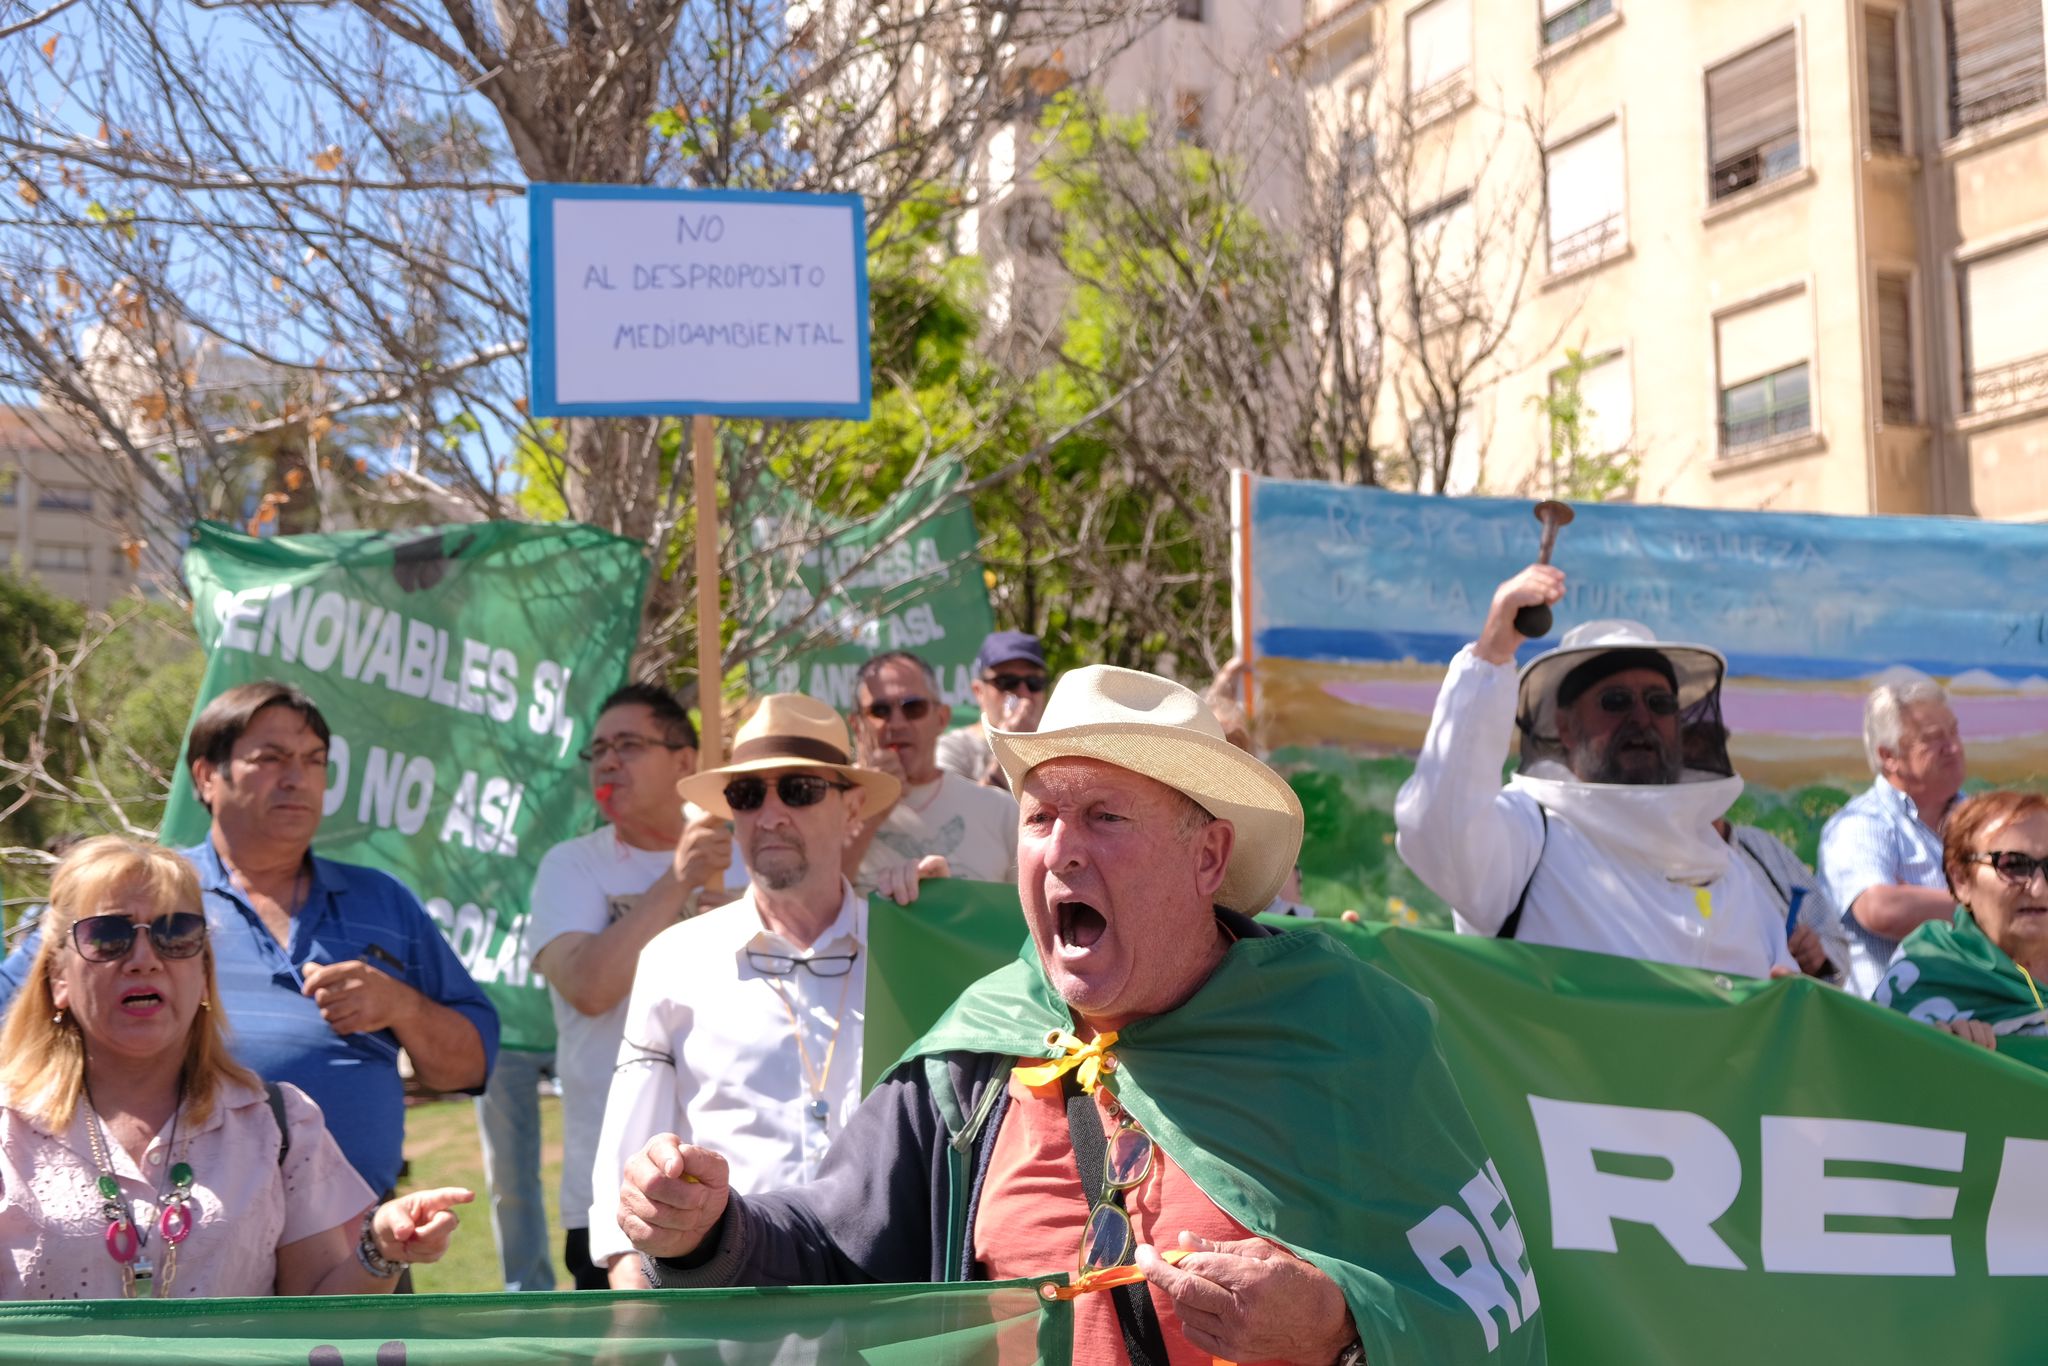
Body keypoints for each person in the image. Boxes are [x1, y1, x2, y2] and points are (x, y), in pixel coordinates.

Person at [614, 666, 1546, 1365]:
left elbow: (1486, 1302)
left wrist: (1339, 1325)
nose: (1060, 853)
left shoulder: (1345, 1031)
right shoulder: (980, 1052)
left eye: (1104, 817)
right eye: (1039, 819)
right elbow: (830, 1247)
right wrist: (703, 1230)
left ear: (1209, 857)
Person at [0, 681, 500, 1203]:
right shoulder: (147, 895)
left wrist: (402, 1006)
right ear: (206, 776)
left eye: (314, 760)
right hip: (191, 1253)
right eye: (271, 758)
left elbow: (469, 1067)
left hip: (361, 1258)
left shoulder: (385, 901)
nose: (296, 778)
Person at [0, 836, 471, 1298]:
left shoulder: (281, 1124)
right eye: (107, 936)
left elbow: (323, 1320)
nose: (144, 960)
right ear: (58, 977)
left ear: (204, 973)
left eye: (175, 934)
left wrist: (379, 1249)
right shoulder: (8, 1129)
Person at [586, 694, 942, 1286]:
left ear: (852, 805)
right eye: (748, 795)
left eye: (798, 789)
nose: (770, 814)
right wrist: (640, 1328)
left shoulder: (910, 949)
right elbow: (625, 1189)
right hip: (731, 1308)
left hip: (889, 1305)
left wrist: (950, 922)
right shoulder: (674, 960)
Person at [1395, 566, 1794, 978]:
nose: (1642, 717)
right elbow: (1437, 828)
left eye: (1659, 703)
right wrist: (1491, 655)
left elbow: (1775, 994)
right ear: (1565, 727)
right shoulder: (1527, 835)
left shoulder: (1726, 867)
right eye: (1616, 700)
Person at [526, 682, 735, 1290]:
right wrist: (676, 883)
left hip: (737, 1180)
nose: (609, 762)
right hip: (615, 1193)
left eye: (628, 745)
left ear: (685, 761)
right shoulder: (572, 866)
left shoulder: (743, 855)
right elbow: (588, 986)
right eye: (598, 751)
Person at [1819, 672, 1968, 996]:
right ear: (1889, 757)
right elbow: (1882, 909)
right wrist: (1986, 907)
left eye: (1954, 732)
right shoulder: (1861, 823)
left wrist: (1922, 903)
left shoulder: (1982, 819)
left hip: (1982, 1019)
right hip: (1890, 1027)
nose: (1954, 747)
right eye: (1933, 739)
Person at [1874, 790, 2048, 1052]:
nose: (2038, 888)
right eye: (2012, 865)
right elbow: (1868, 1070)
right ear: (1961, 880)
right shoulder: (1925, 974)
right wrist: (1944, 1059)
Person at [844, 651, 1019, 891]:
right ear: (857, 726)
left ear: (941, 718)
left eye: (913, 707)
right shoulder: (825, 803)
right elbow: (811, 904)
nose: (896, 723)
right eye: (880, 711)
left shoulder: (1002, 811)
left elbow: (1024, 921)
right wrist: (873, 806)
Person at [936, 631, 1052, 786]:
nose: (1024, 693)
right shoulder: (952, 749)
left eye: (1034, 682)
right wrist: (1008, 751)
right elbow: (958, 810)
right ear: (979, 691)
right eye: (1007, 682)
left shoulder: (1059, 748)